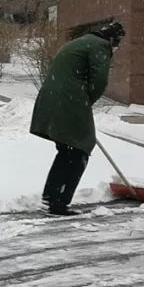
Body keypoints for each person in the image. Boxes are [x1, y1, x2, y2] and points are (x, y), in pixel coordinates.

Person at [30, 21, 125, 216]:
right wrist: (87, 101)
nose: (116, 49)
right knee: (79, 149)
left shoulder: (79, 43)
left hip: (52, 97)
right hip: (70, 99)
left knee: (67, 149)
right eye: (117, 44)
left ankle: (51, 195)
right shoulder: (100, 46)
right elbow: (100, 80)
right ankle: (59, 201)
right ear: (112, 40)